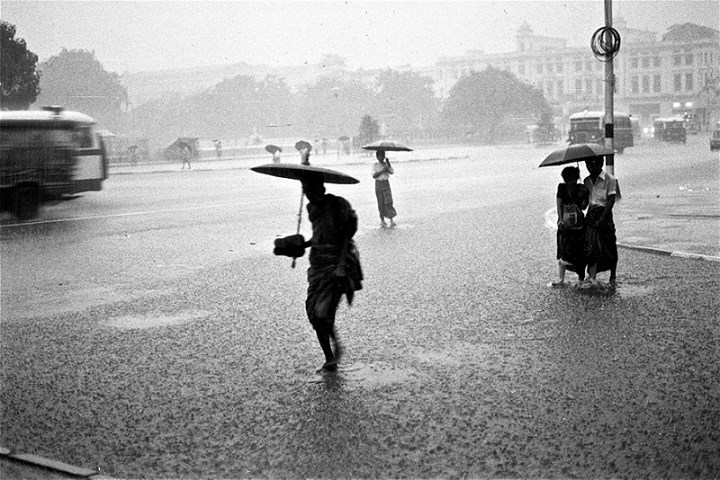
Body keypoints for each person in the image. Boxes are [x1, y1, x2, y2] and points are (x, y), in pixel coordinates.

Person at [299, 176, 363, 371]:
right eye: (306, 191)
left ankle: (336, 348)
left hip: (335, 265)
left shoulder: (336, 205)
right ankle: (329, 357)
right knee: (314, 314)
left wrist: (342, 265)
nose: (309, 195)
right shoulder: (311, 209)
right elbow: (319, 236)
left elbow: (345, 237)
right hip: (317, 267)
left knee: (323, 314)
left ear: (322, 187)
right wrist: (302, 244)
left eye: (312, 189)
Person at [582, 156, 620, 289]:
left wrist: (602, 219)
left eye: (594, 164)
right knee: (591, 247)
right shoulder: (586, 181)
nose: (591, 167)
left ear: (601, 163)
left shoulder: (610, 179)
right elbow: (585, 204)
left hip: (604, 216)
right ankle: (592, 276)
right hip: (591, 217)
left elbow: (611, 201)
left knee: (609, 246)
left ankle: (613, 275)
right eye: (588, 164)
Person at [553, 166, 589, 287]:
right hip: (565, 226)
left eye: (573, 179)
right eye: (569, 179)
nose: (571, 182)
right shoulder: (561, 188)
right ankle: (561, 279)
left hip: (579, 225)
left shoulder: (582, 188)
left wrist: (585, 196)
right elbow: (558, 204)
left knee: (580, 253)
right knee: (564, 251)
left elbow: (583, 207)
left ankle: (581, 279)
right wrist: (560, 220)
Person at [372, 149, 397, 228]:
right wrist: (383, 170)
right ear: (377, 156)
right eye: (379, 155)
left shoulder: (386, 164)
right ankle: (382, 220)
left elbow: (392, 172)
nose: (381, 157)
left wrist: (388, 165)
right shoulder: (375, 165)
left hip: (386, 183)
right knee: (381, 203)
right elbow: (374, 175)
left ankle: (391, 219)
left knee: (388, 201)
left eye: (382, 155)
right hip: (378, 184)